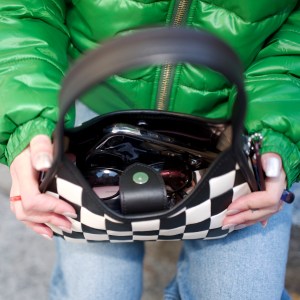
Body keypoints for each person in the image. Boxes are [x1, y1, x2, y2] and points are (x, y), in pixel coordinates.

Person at [1, 1, 299, 299]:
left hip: (240, 114)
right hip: (94, 103)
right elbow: (21, 9)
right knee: (95, 291)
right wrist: (30, 124)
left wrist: (274, 134)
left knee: (242, 292)